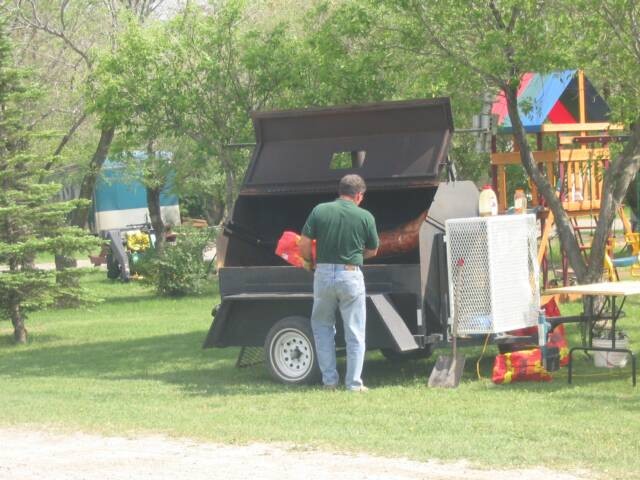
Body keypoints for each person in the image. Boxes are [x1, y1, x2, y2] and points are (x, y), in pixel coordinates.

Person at [299, 174, 379, 392]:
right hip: (350, 275)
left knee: (323, 328)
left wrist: (309, 261)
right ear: (359, 195)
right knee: (355, 331)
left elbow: (304, 243)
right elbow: (373, 250)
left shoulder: (320, 210)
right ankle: (353, 384)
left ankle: (329, 382)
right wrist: (355, 256)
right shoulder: (365, 216)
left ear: (340, 191)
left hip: (323, 274)